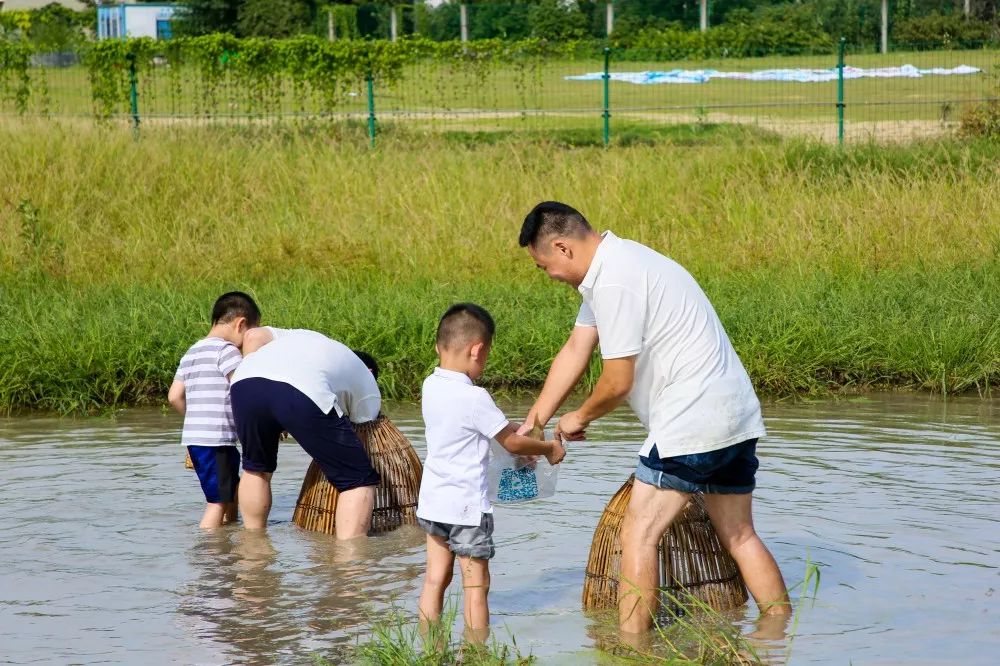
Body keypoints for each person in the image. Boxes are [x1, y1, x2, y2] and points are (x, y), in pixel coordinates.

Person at [517, 201, 790, 635]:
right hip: (734, 419)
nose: (547, 275)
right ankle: (780, 640)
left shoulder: (615, 282)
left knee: (637, 535)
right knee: (740, 536)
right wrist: (535, 421)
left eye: (543, 265)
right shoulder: (619, 264)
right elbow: (576, 349)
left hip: (692, 423)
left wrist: (579, 417)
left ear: (562, 247)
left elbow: (618, 380)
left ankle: (632, 649)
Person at [416, 303, 566, 642]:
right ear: (477, 350)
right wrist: (547, 449)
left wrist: (519, 430)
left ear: (440, 346)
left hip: (433, 505)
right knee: (476, 586)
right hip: (467, 510)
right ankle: (477, 653)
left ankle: (427, 648)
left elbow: (495, 429)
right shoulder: (475, 396)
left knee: (434, 580)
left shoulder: (431, 386)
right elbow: (511, 444)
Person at [229, 328, 381, 539]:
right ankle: (351, 562)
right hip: (300, 387)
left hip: (243, 382)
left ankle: (253, 546)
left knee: (256, 468)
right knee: (358, 479)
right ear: (372, 372)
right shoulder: (369, 383)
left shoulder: (305, 337)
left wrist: (276, 412)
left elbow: (253, 336)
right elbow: (363, 427)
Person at [168, 291, 261, 529]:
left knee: (228, 493)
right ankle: (211, 554)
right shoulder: (226, 351)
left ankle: (229, 536)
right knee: (217, 503)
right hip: (216, 440)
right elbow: (243, 388)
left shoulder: (192, 351)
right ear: (241, 324)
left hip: (199, 439)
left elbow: (174, 396)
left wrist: (196, 420)